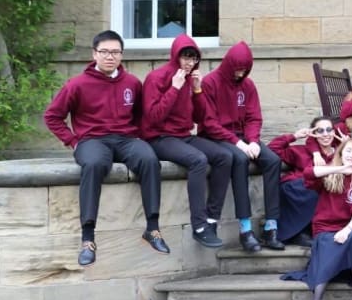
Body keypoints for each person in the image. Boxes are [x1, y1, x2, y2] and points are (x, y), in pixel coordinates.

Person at [44, 30, 169, 266]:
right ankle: (88, 238)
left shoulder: (132, 83)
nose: (110, 57)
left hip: (125, 139)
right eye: (104, 52)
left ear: (121, 55)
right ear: (94, 54)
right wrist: (72, 141)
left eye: (115, 52)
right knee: (94, 164)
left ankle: (152, 228)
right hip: (92, 140)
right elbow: (52, 116)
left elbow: (140, 115)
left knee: (149, 159)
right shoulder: (77, 84)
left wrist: (139, 137)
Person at [140, 34, 231, 249]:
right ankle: (198, 226)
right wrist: (174, 88)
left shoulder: (191, 80)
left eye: (194, 58)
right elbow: (153, 117)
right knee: (198, 160)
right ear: (175, 56)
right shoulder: (156, 78)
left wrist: (198, 89)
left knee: (224, 156)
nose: (190, 63)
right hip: (159, 137)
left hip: (184, 135)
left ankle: (211, 220)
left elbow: (200, 118)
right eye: (186, 57)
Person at [198, 41, 284, 252]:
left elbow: (254, 117)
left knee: (273, 161)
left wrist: (253, 140)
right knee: (240, 159)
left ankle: (271, 226)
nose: (240, 74)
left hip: (244, 136)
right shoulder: (210, 83)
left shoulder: (248, 85)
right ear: (228, 64)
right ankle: (245, 229)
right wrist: (238, 144)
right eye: (237, 69)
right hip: (217, 137)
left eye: (244, 70)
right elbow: (209, 123)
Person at [284, 138, 352, 300]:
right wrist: (340, 169)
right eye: (348, 151)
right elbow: (309, 173)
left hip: (351, 227)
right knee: (327, 243)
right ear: (340, 154)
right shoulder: (330, 175)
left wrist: (346, 230)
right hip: (325, 227)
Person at [268, 115, 338, 247]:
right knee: (314, 189)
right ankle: (299, 233)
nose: (325, 134)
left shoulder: (340, 153)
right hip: (297, 188)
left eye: (329, 129)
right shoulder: (302, 151)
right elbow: (272, 149)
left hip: (319, 191)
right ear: (314, 134)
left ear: (334, 132)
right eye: (320, 131)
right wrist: (295, 136)